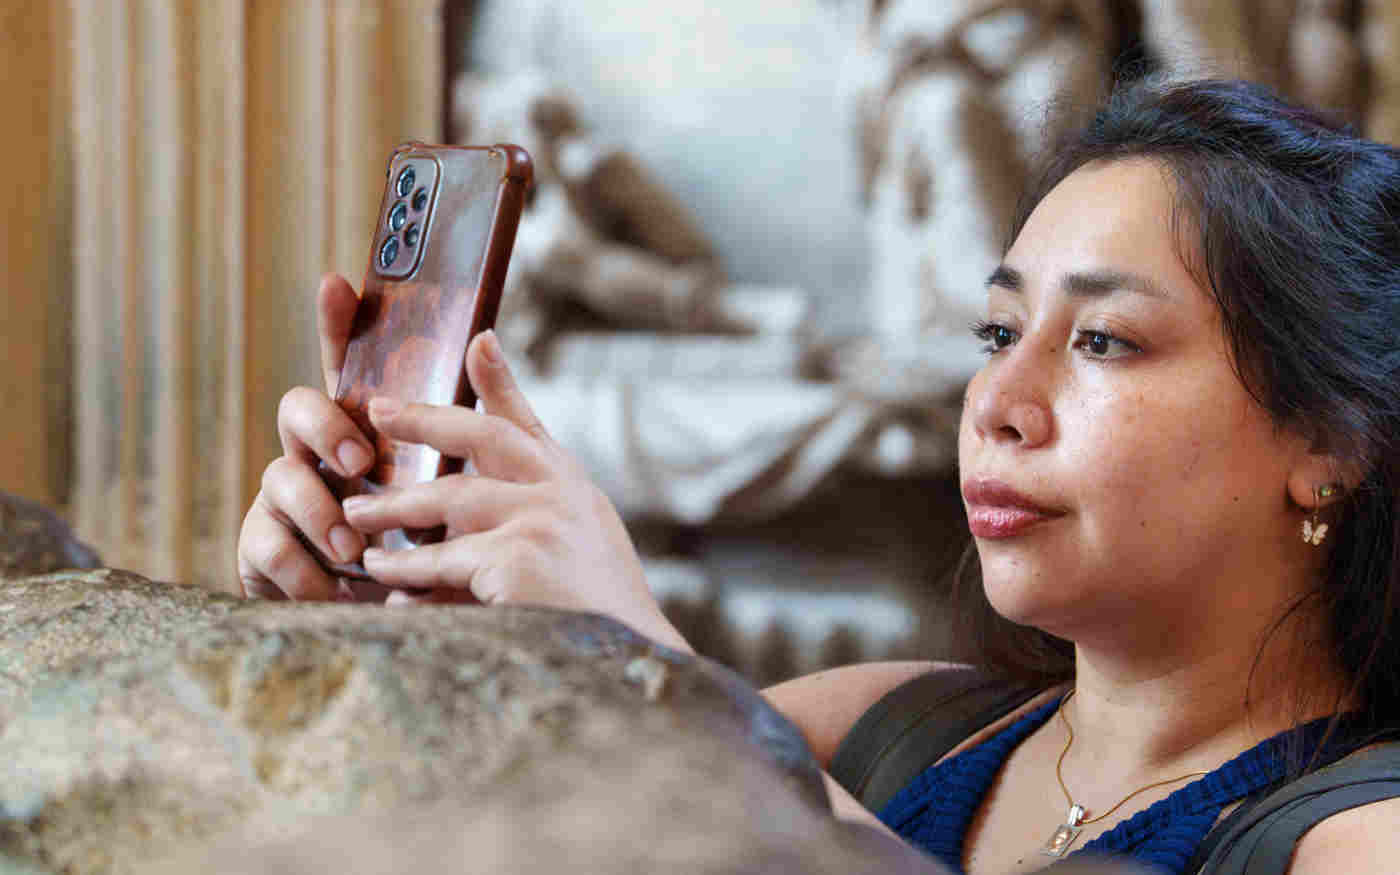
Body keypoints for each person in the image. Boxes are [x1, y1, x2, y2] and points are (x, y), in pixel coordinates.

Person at [237, 77, 1400, 873]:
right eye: (997, 333)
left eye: (1101, 340)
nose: (995, 401)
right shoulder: (870, 728)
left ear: (1329, 446)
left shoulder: (1359, 835)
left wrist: (651, 663)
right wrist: (387, 634)